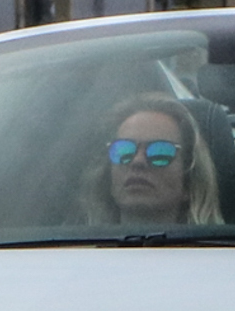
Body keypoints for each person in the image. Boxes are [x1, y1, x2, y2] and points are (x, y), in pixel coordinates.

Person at [79, 96, 223, 228]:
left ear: (188, 181)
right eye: (124, 150)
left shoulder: (223, 255)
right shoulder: (72, 252)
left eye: (160, 153)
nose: (137, 161)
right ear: (108, 176)